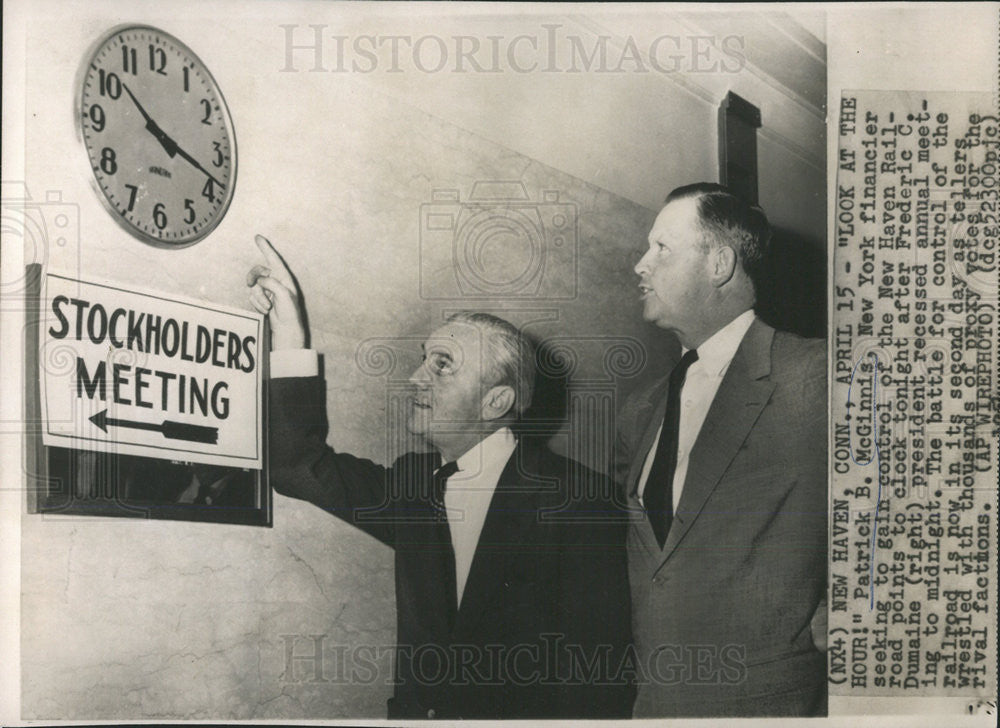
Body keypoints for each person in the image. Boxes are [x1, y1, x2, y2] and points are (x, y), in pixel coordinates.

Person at [247, 235, 633, 720]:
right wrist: (289, 333)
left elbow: (597, 682)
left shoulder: (582, 500)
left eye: (442, 365)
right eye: (423, 359)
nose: (415, 377)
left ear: (497, 401)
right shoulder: (412, 484)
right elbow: (295, 464)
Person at [616, 183, 827, 717]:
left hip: (767, 704)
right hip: (657, 703)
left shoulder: (817, 374)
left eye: (661, 248)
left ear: (720, 263)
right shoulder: (641, 409)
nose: (641, 265)